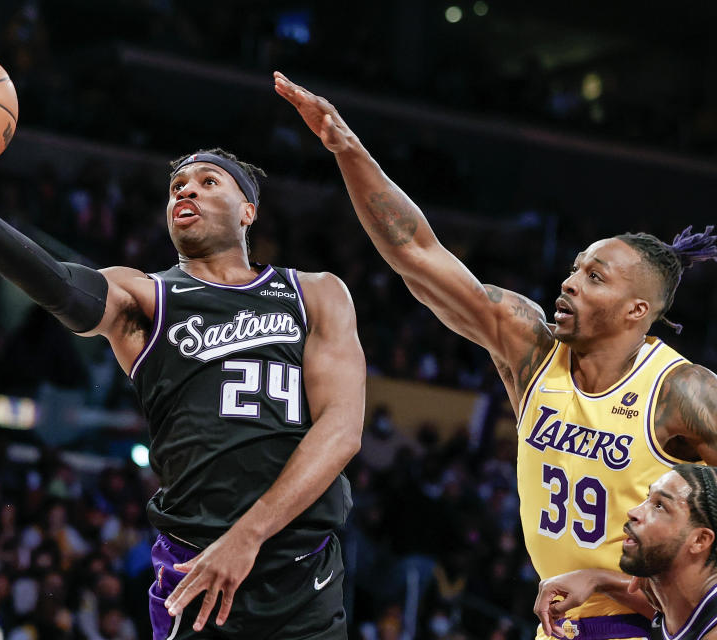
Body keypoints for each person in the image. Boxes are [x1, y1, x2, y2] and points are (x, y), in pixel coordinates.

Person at [273, 70, 717, 640]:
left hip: (643, 621)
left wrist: (617, 587)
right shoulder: (531, 349)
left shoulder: (683, 392)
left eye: (595, 276)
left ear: (636, 311)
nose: (571, 281)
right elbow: (415, 252)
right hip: (560, 618)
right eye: (576, 266)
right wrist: (348, 149)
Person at [0, 125, 365, 639]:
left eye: (208, 181)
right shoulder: (146, 297)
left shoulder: (314, 294)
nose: (187, 190)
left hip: (302, 568)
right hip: (196, 567)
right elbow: (60, 286)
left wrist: (250, 534)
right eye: (178, 185)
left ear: (248, 211)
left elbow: (341, 431)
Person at [534, 465, 717, 640]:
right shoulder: (679, 609)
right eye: (648, 498)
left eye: (660, 505)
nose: (633, 512)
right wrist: (596, 579)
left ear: (700, 540)